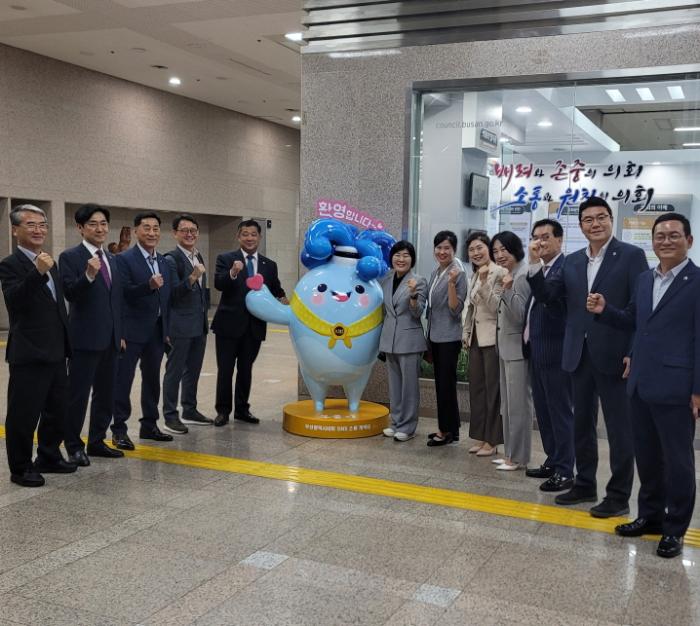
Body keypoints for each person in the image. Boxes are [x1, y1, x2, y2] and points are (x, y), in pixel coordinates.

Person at [587, 213, 699, 559]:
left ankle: (675, 528)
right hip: (640, 383)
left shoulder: (696, 281)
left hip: (677, 386)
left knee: (678, 462)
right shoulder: (645, 279)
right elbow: (636, 322)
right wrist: (606, 310)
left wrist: (697, 389)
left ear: (689, 241)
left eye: (674, 235)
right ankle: (650, 516)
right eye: (660, 236)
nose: (666, 241)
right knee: (648, 458)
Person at [527, 196, 648, 518]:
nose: (595, 224)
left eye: (601, 217)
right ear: (580, 226)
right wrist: (534, 266)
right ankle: (584, 484)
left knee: (619, 430)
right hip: (577, 355)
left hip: (614, 354)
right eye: (588, 219)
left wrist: (632, 352)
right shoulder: (573, 261)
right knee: (581, 425)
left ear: (610, 220)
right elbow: (549, 296)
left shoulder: (631, 256)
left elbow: (639, 310)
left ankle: (618, 496)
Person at [0, 205, 76, 486]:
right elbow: (15, 302)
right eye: (30, 224)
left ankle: (49, 456)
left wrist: (67, 343)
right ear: (15, 230)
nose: (38, 230)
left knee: (57, 410)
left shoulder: (49, 262)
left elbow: (58, 308)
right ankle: (20, 468)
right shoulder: (10, 264)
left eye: (42, 225)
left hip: (56, 350)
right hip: (29, 352)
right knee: (23, 414)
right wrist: (36, 272)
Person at [59, 203, 124, 465]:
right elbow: (69, 293)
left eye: (103, 224)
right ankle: (73, 445)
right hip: (84, 339)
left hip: (111, 338)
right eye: (93, 224)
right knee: (77, 395)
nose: (100, 229)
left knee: (105, 394)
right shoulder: (70, 257)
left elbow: (116, 300)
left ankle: (97, 441)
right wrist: (88, 275)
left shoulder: (112, 258)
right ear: (80, 228)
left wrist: (120, 333)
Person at [212, 219, 287, 426]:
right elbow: (219, 284)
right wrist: (233, 272)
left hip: (254, 326)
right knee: (225, 370)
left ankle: (242, 409)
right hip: (228, 325)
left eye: (253, 234)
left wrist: (285, 300)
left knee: (246, 369)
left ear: (259, 237)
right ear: (238, 237)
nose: (249, 238)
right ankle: (223, 411)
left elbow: (276, 289)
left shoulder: (269, 265)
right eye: (245, 234)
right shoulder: (226, 259)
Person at [112, 211, 173, 449]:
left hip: (156, 332)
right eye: (146, 228)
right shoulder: (124, 259)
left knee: (152, 380)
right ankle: (119, 430)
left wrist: (166, 329)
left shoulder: (164, 262)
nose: (152, 232)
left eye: (156, 228)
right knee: (123, 381)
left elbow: (166, 299)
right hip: (130, 331)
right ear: (136, 230)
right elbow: (121, 294)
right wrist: (147, 286)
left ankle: (149, 425)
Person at [523, 219, 575, 492]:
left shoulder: (563, 269)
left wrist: (532, 265)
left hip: (556, 354)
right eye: (536, 237)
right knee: (544, 412)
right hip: (538, 352)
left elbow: (547, 296)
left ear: (559, 239)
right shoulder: (544, 270)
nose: (539, 242)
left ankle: (565, 470)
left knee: (559, 413)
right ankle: (553, 460)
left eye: (545, 237)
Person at [161, 214, 213, 434]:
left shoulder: (197, 255)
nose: (189, 234)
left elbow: (202, 292)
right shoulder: (171, 259)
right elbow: (172, 294)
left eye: (193, 230)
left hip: (198, 324)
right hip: (179, 326)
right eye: (184, 230)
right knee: (174, 372)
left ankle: (189, 410)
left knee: (193, 370)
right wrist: (192, 277)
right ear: (175, 233)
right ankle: (170, 416)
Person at [490, 231, 533, 471]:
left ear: (515, 248)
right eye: (496, 251)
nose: (499, 255)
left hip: (517, 350)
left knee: (518, 406)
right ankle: (510, 453)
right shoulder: (511, 274)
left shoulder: (523, 276)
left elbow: (521, 316)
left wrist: (506, 290)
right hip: (506, 348)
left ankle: (518, 457)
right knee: (507, 406)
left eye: (504, 249)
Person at [462, 232, 506, 456]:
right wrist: (466, 332)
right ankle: (480, 436)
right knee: (477, 389)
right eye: (471, 249)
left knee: (493, 390)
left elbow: (496, 306)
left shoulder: (500, 272)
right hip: (476, 339)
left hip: (493, 338)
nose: (476, 253)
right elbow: (471, 307)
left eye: (480, 247)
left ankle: (493, 440)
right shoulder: (474, 274)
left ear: (489, 248)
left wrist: (484, 281)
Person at [379, 241, 427, 442]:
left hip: (409, 341)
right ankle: (396, 422)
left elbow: (418, 313)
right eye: (397, 255)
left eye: (406, 255)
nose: (401, 259)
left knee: (409, 388)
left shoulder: (419, 281)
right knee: (395, 385)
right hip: (390, 340)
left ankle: (408, 427)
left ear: (412, 259)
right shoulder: (386, 280)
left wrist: (413, 295)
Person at [425, 230, 467, 447]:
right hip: (435, 335)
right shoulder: (436, 272)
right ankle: (450, 428)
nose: (442, 251)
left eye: (447, 248)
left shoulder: (458, 273)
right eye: (439, 247)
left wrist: (451, 284)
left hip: (449, 337)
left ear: (454, 250)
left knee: (446, 386)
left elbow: (455, 309)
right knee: (443, 385)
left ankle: (446, 431)